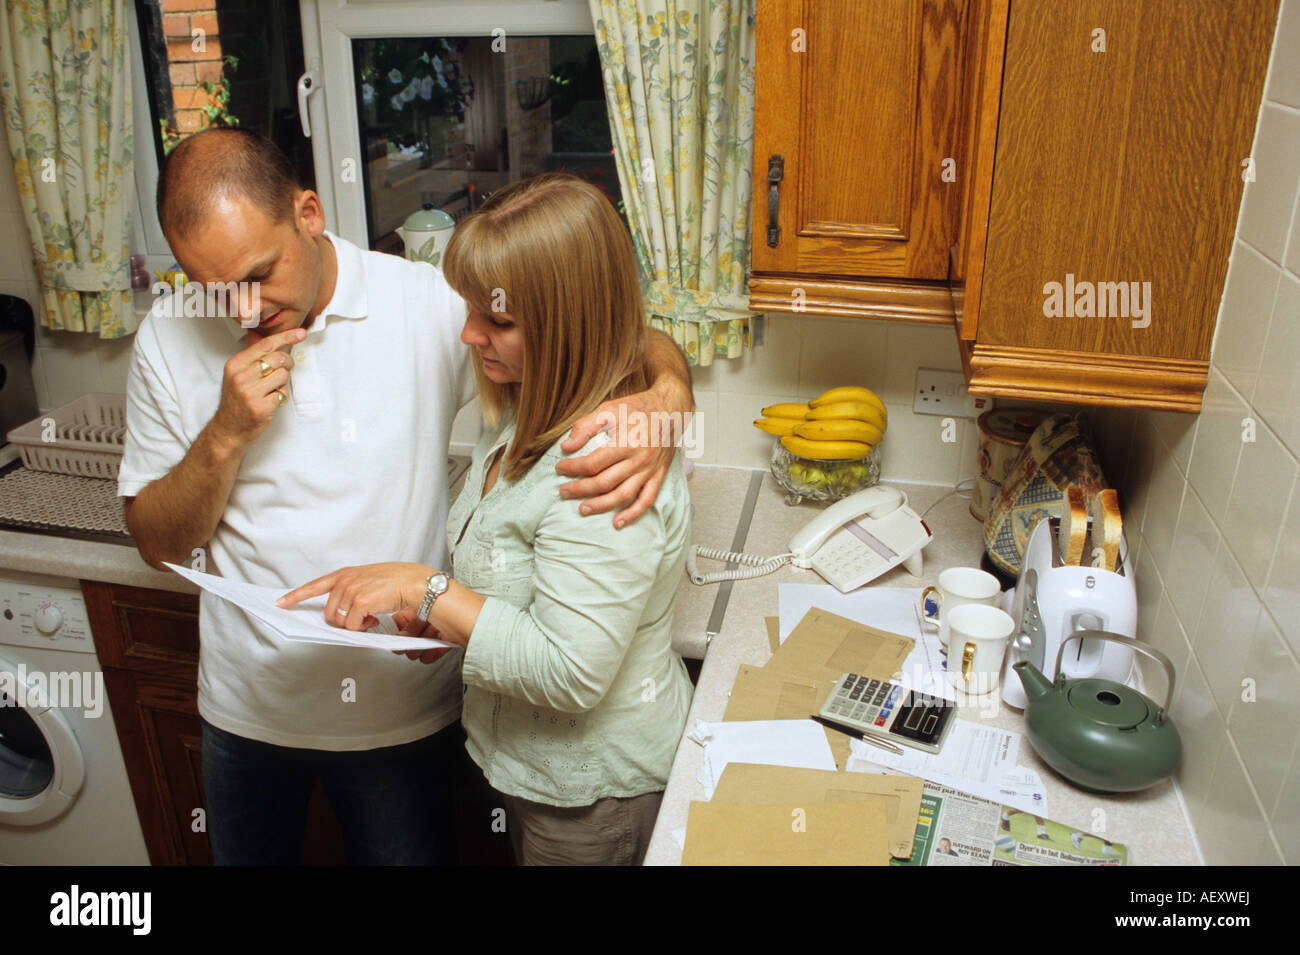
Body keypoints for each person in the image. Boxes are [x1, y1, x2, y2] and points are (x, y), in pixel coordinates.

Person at [118, 130, 694, 865]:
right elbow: (157, 542)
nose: (242, 310)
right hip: (247, 709)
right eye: (214, 288)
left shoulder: (424, 301)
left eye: (259, 274)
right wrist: (226, 434)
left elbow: (590, 326)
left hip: (404, 711)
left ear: (309, 212)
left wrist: (668, 394)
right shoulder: (166, 339)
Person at [278, 173, 694, 866]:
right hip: (531, 773)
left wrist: (427, 590)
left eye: (497, 320)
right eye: (471, 309)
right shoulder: (524, 406)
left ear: (572, 323)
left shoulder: (603, 462)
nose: (470, 334)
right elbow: (521, 584)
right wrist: (448, 618)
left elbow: (570, 672)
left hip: (591, 796)